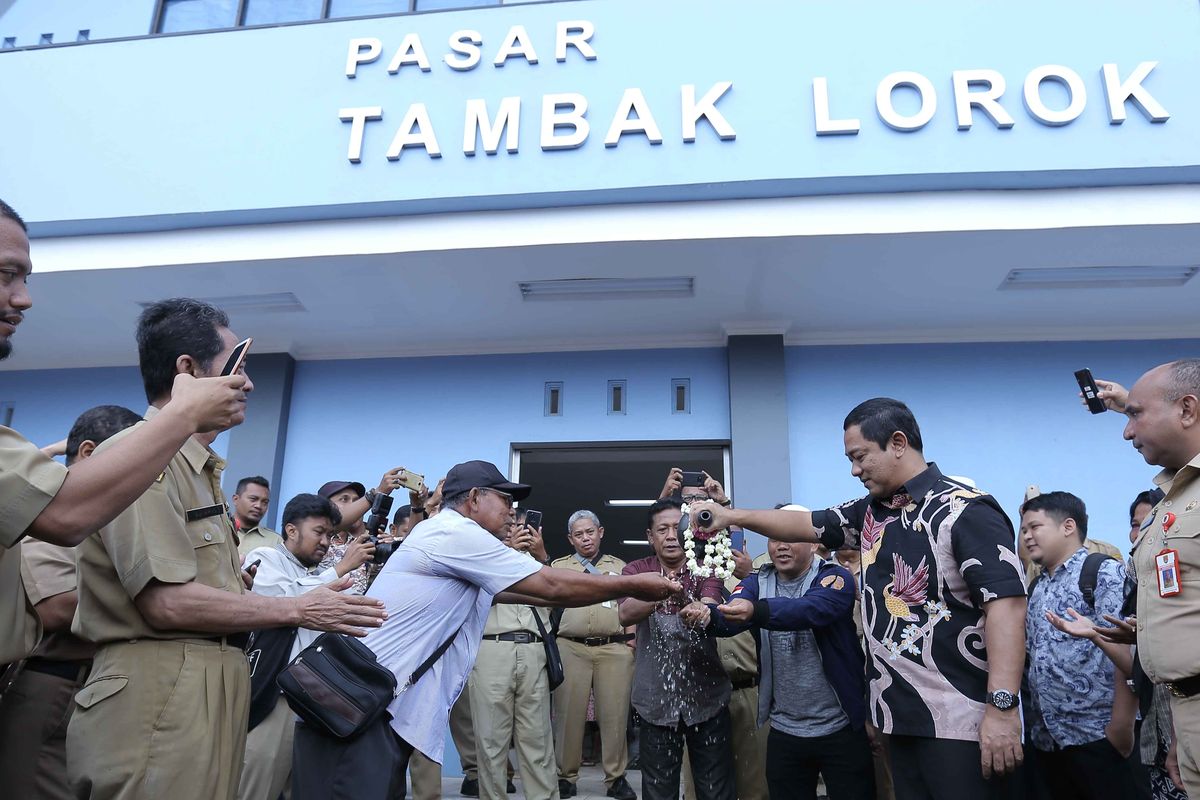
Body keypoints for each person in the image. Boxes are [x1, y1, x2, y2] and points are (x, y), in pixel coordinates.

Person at [66, 298, 388, 800]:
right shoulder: (140, 460)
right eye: (236, 366)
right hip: (162, 685)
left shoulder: (196, 469)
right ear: (187, 371)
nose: (249, 384)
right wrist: (299, 608)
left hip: (206, 681)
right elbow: (165, 601)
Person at [692, 398, 1028, 800]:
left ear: (898, 443)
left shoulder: (964, 510)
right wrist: (731, 516)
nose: (854, 469)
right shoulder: (870, 513)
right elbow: (806, 522)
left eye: (860, 456)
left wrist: (1003, 708)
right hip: (898, 717)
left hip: (962, 720)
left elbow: (1007, 609)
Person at [291, 460, 680, 800]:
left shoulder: (453, 541)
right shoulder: (454, 533)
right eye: (505, 501)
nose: (513, 512)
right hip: (359, 707)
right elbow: (551, 586)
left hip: (372, 705)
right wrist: (634, 583)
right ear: (474, 499)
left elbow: (532, 595)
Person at [0, 199, 249, 669]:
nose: (23, 297)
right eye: (4, 274)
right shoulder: (147, 458)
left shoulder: (179, 460)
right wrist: (184, 414)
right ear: (188, 371)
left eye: (24, 278)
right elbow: (65, 514)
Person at [0, 405, 142, 800]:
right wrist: (154, 599)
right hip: (54, 685)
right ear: (89, 453)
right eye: (131, 456)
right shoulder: (50, 514)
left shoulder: (107, 518)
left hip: (99, 687)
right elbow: (56, 606)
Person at [1089, 363, 1200, 797]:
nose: (1127, 432)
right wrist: (1180, 730)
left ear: (1188, 409)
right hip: (1183, 709)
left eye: (1137, 415)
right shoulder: (1179, 492)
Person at [715, 536, 874, 800]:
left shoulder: (835, 578)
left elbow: (810, 610)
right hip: (784, 730)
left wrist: (755, 610)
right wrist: (706, 615)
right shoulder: (756, 582)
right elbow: (729, 617)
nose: (781, 546)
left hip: (840, 727)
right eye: (774, 540)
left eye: (791, 539)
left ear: (814, 544)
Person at [237, 492, 373, 800]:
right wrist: (339, 570)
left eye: (330, 534)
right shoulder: (266, 558)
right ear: (291, 530)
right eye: (319, 532)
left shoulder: (314, 574)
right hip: (275, 698)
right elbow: (286, 601)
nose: (326, 541)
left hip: (311, 700)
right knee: (256, 787)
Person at [1019, 491, 1139, 798]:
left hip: (1099, 737)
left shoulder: (1101, 573)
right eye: (1023, 530)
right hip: (1050, 743)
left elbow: (1129, 654)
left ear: (1068, 527)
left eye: (1035, 527)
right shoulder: (1037, 586)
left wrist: (1121, 727)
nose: (1027, 536)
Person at [618, 498, 735, 800]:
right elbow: (626, 613)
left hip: (706, 697)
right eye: (662, 529)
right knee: (658, 791)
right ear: (650, 536)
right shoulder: (636, 570)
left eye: (677, 527)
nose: (671, 535)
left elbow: (709, 607)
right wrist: (661, 591)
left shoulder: (706, 566)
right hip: (654, 700)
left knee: (715, 790)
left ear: (689, 532)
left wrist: (689, 601)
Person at [665, 470, 766, 800]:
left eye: (702, 502)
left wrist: (722, 502)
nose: (696, 507)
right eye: (688, 502)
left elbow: (733, 528)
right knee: (701, 786)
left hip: (746, 688)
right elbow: (659, 530)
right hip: (701, 692)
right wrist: (666, 497)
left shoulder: (746, 565)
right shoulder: (679, 566)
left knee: (755, 785)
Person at [470, 509, 556, 800]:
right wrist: (507, 554)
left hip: (533, 652)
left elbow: (555, 600)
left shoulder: (538, 563)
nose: (516, 529)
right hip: (492, 648)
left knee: (539, 742)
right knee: (491, 743)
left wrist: (541, 557)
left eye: (522, 525)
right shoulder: (480, 556)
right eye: (511, 524)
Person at [551, 510, 636, 800]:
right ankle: (566, 776)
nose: (585, 538)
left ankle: (616, 779)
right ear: (570, 539)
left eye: (590, 532)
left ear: (600, 532)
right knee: (567, 714)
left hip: (614, 647)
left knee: (615, 715)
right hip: (571, 647)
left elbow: (631, 604)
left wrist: (631, 642)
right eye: (578, 534)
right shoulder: (558, 567)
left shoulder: (621, 567)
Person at [234, 476, 278, 556]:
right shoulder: (220, 531)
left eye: (265, 502)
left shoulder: (276, 542)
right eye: (253, 499)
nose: (258, 506)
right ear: (236, 499)